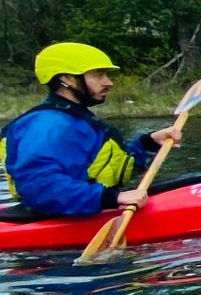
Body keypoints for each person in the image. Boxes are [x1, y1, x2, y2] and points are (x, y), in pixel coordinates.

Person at [0, 42, 183, 217]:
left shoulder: (72, 118)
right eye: (98, 74)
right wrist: (112, 198)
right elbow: (39, 186)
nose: (108, 82)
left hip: (80, 209)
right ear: (67, 79)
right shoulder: (48, 125)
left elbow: (103, 168)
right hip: (58, 227)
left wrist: (147, 143)